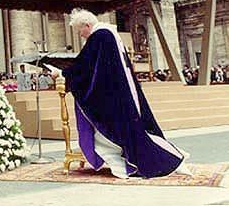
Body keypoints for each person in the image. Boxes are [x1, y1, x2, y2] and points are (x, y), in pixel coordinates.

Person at [53, 9, 190, 179]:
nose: (80, 35)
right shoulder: (109, 34)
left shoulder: (99, 37)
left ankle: (161, 161)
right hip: (121, 91)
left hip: (113, 96)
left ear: (87, 25)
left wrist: (62, 74)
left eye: (80, 30)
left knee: (110, 131)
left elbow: (84, 67)